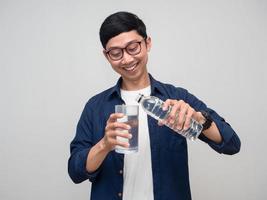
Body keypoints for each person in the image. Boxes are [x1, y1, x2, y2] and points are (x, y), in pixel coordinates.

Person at [68, 11, 241, 200]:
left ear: (147, 43)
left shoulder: (176, 97)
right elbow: (75, 172)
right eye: (116, 53)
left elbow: (232, 144)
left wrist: (199, 119)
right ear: (106, 56)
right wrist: (104, 144)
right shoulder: (95, 106)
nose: (126, 59)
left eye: (133, 47)